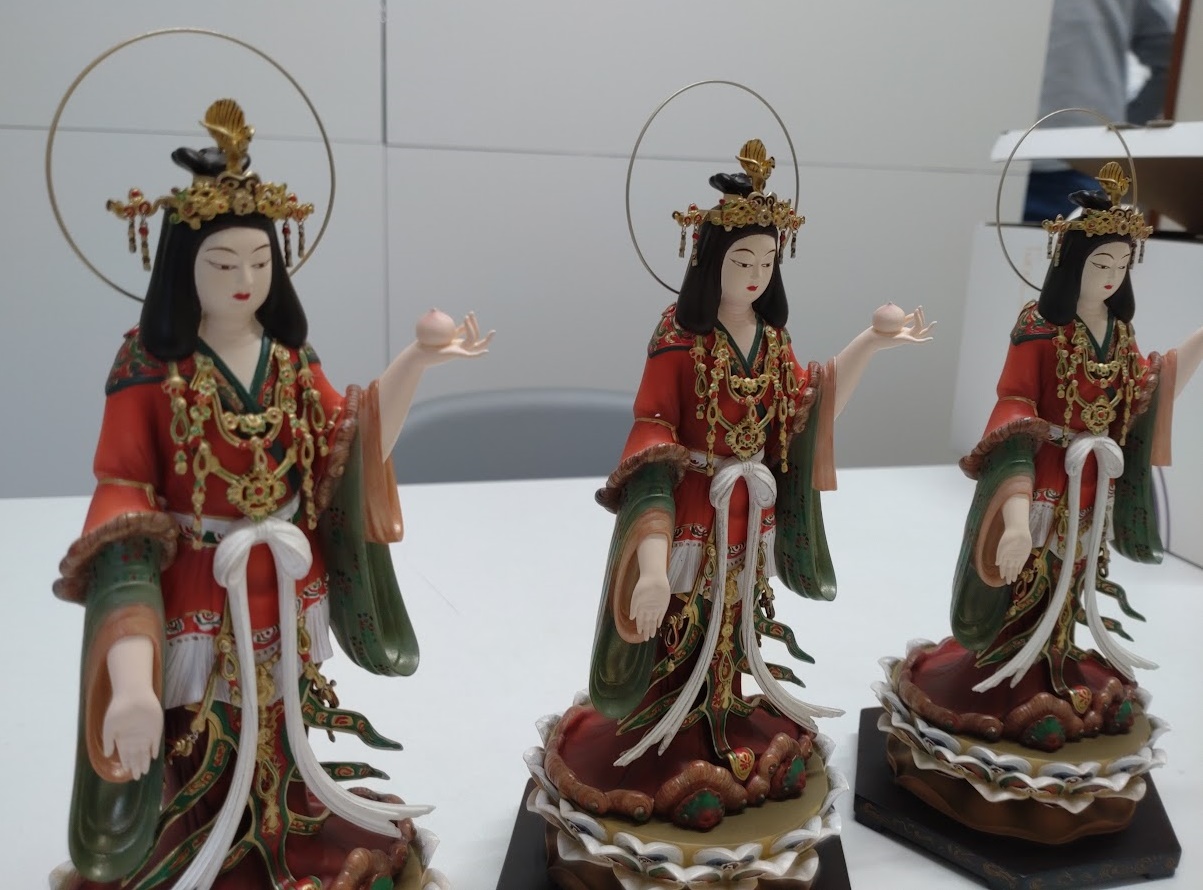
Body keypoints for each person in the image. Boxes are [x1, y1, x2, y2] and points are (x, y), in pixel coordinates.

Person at [54, 100, 489, 889]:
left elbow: (351, 448)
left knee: (284, 711)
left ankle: (284, 813)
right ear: (182, 266)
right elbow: (122, 510)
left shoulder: (289, 359)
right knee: (201, 722)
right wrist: (130, 675)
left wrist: (415, 364)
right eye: (223, 265)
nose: (246, 281)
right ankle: (204, 831)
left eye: (260, 261)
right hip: (199, 582)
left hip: (285, 579)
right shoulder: (149, 370)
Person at [542, 140, 932, 830]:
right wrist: (652, 561)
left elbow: (808, 413)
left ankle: (719, 709)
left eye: (766, 262)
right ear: (708, 260)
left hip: (751, 512)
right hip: (694, 510)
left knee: (735, 618)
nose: (754, 275)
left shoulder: (773, 342)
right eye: (740, 260)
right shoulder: (679, 338)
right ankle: (667, 721)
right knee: (677, 620)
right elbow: (651, 443)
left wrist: (869, 345)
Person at [899, 165, 1203, 753]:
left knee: (1074, 576)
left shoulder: (1119, 334)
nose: (1111, 277)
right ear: (1071, 263)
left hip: (1093, 482)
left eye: (1122, 266)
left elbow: (1148, 392)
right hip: (1042, 481)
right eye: (1100, 264)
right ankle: (1010, 663)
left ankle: (1055, 658)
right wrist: (1014, 518)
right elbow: (1013, 414)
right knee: (1027, 576)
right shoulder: (1039, 329)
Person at [1024, 0, 1177, 222]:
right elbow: (1175, 53)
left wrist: (1122, 129)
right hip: (1080, 156)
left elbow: (1176, 54)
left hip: (1075, 165)